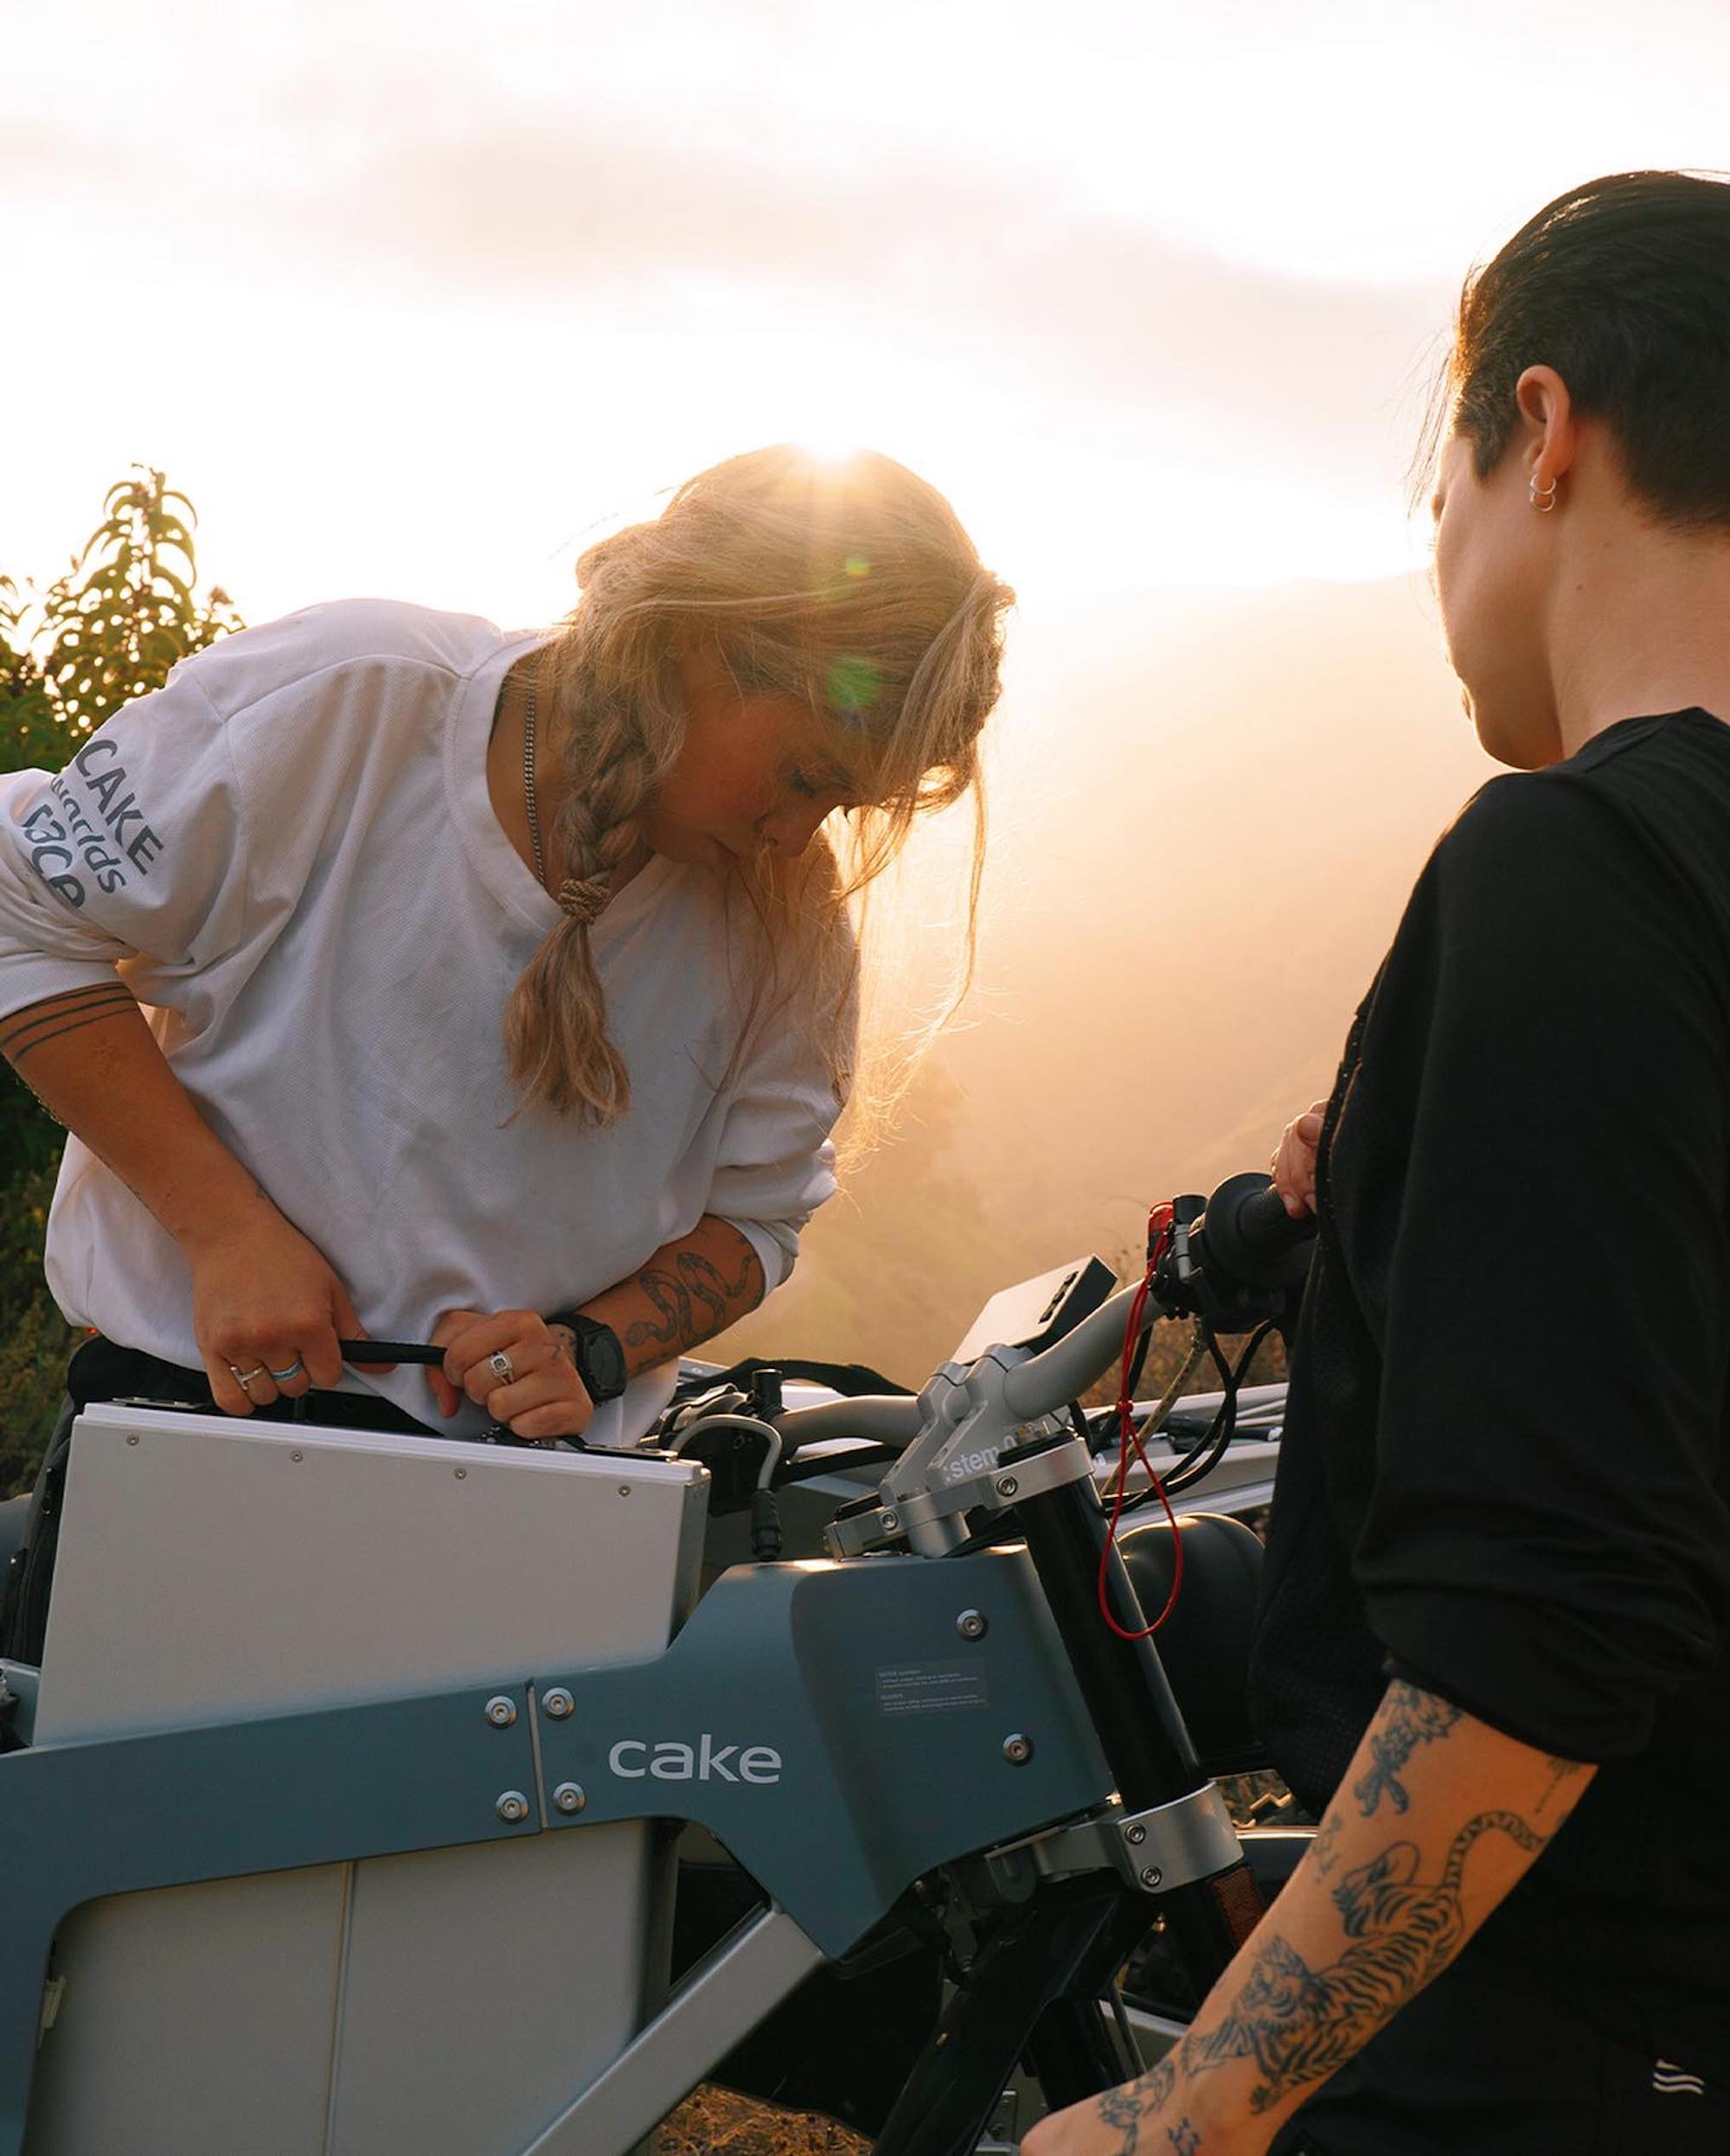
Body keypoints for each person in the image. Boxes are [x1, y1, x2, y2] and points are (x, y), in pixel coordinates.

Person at [1028, 170, 1730, 2154]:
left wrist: (1200, 2099)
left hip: (1567, 2046)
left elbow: (1553, 1617)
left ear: (1543, 429)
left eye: (1442, 474)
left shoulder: (1583, 863)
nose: (1434, 539)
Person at [0, 445, 1012, 1657]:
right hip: (191, 1450)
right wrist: (223, 1228)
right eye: (805, 773)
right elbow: (23, 915)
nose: (798, 831)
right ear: (710, 630)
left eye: (841, 804)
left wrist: (594, 1344)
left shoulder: (784, 927)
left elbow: (756, 1221)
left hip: (534, 1512)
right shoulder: (356, 698)